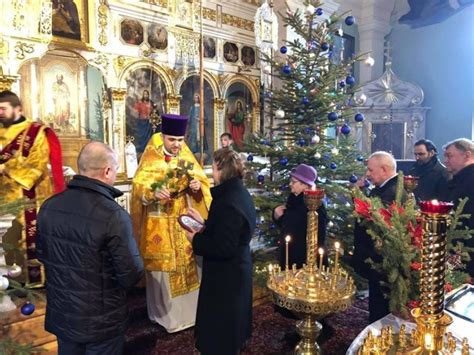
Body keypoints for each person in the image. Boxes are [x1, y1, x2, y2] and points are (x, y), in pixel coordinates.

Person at [37, 142, 143, 355]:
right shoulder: (113, 215)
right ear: (107, 171)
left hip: (64, 314)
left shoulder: (49, 206)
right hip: (102, 322)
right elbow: (131, 273)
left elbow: (42, 254)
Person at [131, 114, 212, 333]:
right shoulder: (151, 156)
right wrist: (152, 192)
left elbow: (202, 183)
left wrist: (196, 187)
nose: (176, 144)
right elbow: (138, 187)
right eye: (171, 140)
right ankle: (166, 318)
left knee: (190, 263)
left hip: (183, 218)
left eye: (179, 139)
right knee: (164, 269)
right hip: (159, 222)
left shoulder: (186, 155)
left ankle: (192, 314)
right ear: (163, 137)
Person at [185, 148, 256, 355]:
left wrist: (195, 239)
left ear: (222, 170)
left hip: (227, 276)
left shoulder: (228, 201)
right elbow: (228, 230)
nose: (211, 172)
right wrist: (204, 223)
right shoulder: (236, 192)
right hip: (234, 269)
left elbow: (224, 246)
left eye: (214, 168)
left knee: (221, 334)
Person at [0, 90, 64, 288]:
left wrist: (4, 167)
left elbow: (35, 164)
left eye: (3, 108)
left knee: (24, 239)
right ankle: (6, 282)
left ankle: (32, 282)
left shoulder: (36, 132)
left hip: (26, 197)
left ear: (17, 108)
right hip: (2, 198)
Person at [351, 151, 405, 322]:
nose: (367, 174)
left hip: (382, 260)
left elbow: (377, 222)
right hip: (377, 260)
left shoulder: (393, 192)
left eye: (370, 170)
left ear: (384, 169)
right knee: (377, 302)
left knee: (382, 308)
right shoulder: (384, 188)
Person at [273, 164, 327, 269]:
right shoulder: (294, 199)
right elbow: (289, 227)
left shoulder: (313, 204)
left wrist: (281, 218)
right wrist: (277, 216)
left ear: (305, 185)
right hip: (291, 255)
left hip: (303, 260)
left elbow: (298, 229)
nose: (290, 184)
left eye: (294, 182)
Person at [441, 138, 474, 276]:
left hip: (465, 251)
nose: (445, 161)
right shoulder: (459, 179)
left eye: (449, 156)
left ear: (466, 155)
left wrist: (459, 252)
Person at [133, 89, 153, 155]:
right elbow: (135, 111)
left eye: (147, 94)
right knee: (141, 135)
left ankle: (147, 147)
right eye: (144, 94)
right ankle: (141, 148)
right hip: (141, 121)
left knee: (147, 136)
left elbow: (153, 112)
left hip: (148, 121)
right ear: (143, 95)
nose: (145, 95)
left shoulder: (150, 103)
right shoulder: (139, 103)